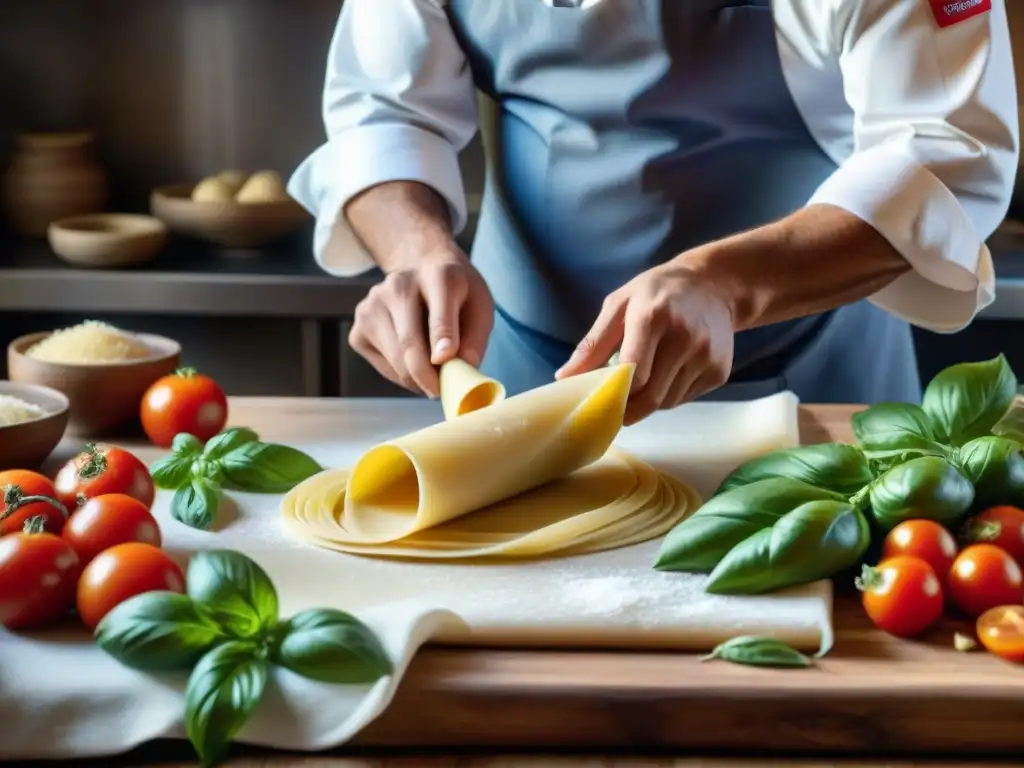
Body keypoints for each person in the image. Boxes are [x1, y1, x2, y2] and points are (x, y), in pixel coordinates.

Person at [288, 0, 1019, 425]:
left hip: (815, 383)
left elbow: (948, 147)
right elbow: (384, 111)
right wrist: (418, 254)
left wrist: (722, 284)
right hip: (517, 379)